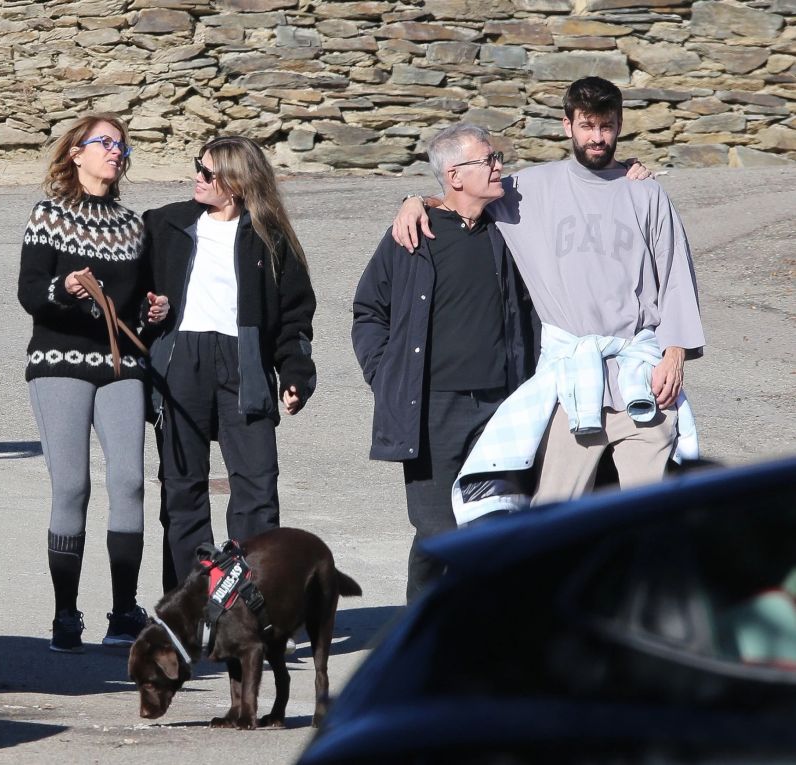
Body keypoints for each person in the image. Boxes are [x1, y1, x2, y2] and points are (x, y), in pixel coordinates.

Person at [392, 77, 705, 520]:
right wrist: (414, 199)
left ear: (620, 126)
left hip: (641, 373)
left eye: (607, 126)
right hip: (570, 380)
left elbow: (675, 275)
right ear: (567, 126)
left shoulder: (647, 194)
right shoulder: (526, 190)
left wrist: (675, 354)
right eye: (588, 125)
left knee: (654, 516)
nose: (597, 137)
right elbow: (464, 192)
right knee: (554, 517)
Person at [352, 124, 540, 602]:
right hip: (430, 408)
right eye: (488, 160)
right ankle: (420, 629)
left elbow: (573, 179)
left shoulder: (510, 228)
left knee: (496, 525)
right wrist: (385, 374)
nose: (500, 167)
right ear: (455, 174)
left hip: (503, 404)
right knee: (437, 530)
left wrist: (631, 172)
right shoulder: (412, 235)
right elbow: (369, 311)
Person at [18, 113, 169, 652]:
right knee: (73, 486)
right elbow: (31, 292)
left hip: (122, 366)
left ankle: (124, 611)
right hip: (59, 360)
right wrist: (65, 288)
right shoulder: (49, 213)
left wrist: (156, 309)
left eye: (121, 145)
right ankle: (65, 616)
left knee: (129, 482)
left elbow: (141, 303)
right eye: (104, 143)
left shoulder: (133, 226)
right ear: (76, 153)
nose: (115, 152)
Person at [142, 136, 316, 589]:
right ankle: (192, 602)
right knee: (183, 490)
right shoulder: (165, 225)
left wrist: (295, 373)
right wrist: (149, 312)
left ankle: (252, 604)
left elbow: (295, 317)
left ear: (236, 184)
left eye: (207, 172)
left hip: (245, 363)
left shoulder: (270, 239)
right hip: (181, 361)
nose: (196, 178)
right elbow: (133, 299)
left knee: (257, 489)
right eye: (196, 167)